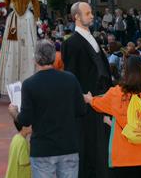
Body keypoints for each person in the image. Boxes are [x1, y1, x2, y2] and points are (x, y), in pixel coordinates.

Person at [85, 55, 141, 177]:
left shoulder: (116, 93)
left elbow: (98, 104)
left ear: (125, 71)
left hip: (124, 158)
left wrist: (89, 99)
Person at [10, 40, 86, 178]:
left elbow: (25, 120)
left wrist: (14, 112)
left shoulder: (29, 84)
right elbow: (81, 110)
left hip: (43, 148)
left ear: (36, 59)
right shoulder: (70, 79)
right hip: (68, 146)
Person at [61, 1, 112, 178]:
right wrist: (80, 96)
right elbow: (70, 74)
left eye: (91, 12)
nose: (91, 15)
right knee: (89, 147)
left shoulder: (94, 38)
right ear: (77, 16)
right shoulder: (71, 43)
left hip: (103, 101)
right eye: (88, 13)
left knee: (102, 146)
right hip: (87, 105)